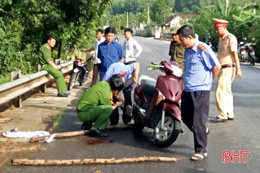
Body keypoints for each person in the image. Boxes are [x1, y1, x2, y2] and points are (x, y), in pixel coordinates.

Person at [177, 25, 221, 161]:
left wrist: (209, 82)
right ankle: (203, 131)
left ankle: (201, 151)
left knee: (198, 122)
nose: (180, 43)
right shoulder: (187, 51)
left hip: (201, 90)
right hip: (188, 89)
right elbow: (187, 70)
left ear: (189, 37)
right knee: (184, 116)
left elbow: (216, 66)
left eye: (181, 40)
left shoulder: (203, 49)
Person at [212, 18, 242, 122]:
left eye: (218, 29)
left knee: (220, 91)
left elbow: (235, 54)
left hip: (228, 68)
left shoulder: (230, 38)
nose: (216, 31)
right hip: (223, 68)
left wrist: (238, 69)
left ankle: (222, 114)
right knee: (227, 91)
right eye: (215, 29)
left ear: (224, 27)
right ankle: (229, 113)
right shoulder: (221, 38)